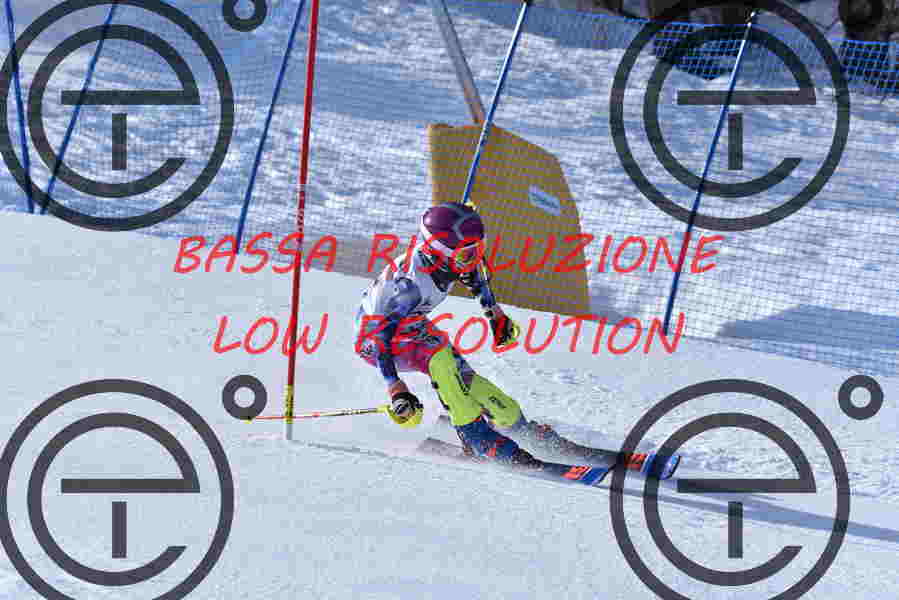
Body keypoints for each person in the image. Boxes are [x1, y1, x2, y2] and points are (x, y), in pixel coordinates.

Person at [354, 202, 677, 478]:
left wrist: (494, 314)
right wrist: (396, 387)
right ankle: (476, 437)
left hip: (412, 327)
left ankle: (516, 425)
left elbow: (475, 275)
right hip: (377, 340)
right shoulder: (410, 286)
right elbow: (380, 337)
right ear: (439, 250)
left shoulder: (448, 260)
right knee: (440, 360)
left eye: (477, 249)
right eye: (467, 254)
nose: (474, 259)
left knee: (473, 385)